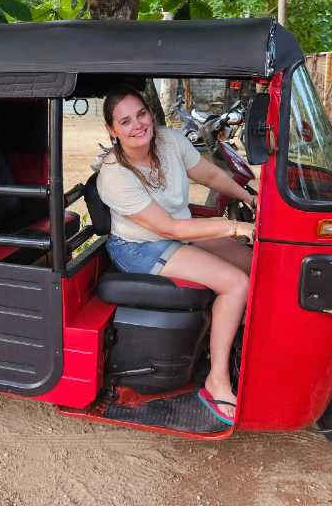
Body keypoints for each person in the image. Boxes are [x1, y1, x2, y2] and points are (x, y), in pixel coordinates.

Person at [96, 88, 255, 425]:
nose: (138, 124)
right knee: (235, 284)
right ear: (112, 130)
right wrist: (232, 227)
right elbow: (170, 229)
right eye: (125, 121)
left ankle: (240, 344)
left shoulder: (169, 140)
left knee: (254, 263)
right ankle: (218, 380)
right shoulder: (114, 174)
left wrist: (250, 198)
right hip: (141, 247)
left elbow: (208, 174)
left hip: (176, 231)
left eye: (141, 114)